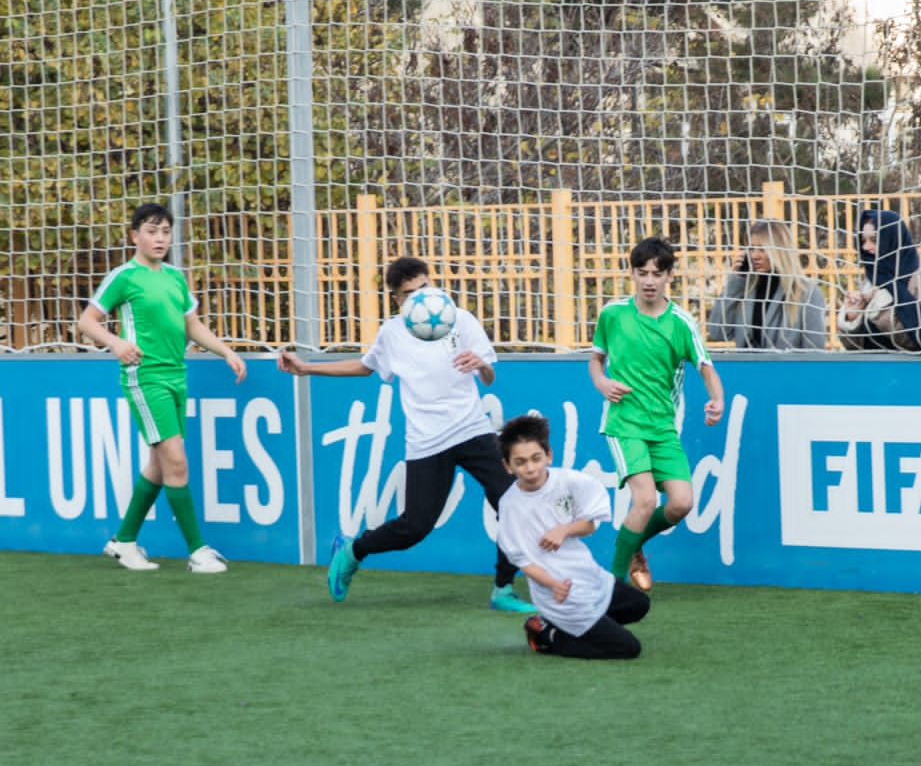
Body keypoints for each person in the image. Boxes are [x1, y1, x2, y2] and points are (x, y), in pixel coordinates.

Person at [276, 256, 537, 614]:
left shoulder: (461, 319)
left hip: (472, 430)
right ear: (397, 300)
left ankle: (503, 589)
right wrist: (307, 368)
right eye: (409, 294)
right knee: (415, 527)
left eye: (424, 288)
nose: (420, 299)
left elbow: (489, 376)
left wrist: (482, 364)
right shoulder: (393, 332)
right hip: (427, 441)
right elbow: (365, 367)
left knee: (512, 502)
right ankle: (353, 550)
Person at [78, 202, 246, 574]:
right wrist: (117, 344)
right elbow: (87, 321)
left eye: (165, 232)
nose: (159, 238)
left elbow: (192, 326)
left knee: (159, 463)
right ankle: (198, 551)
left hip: (176, 376)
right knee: (176, 460)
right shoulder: (125, 276)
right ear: (135, 235)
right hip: (146, 377)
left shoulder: (174, 277)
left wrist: (226, 352)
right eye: (151, 231)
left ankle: (123, 541)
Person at [590, 236, 725, 593]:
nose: (649, 280)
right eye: (642, 272)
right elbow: (596, 359)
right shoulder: (613, 314)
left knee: (681, 502)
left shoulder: (681, 322)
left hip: (663, 427)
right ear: (631, 273)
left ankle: (634, 546)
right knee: (646, 499)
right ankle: (613, 587)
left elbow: (705, 366)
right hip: (624, 423)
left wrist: (717, 401)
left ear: (670, 277)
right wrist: (602, 383)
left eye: (657, 273)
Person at [496, 413, 651, 659]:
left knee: (639, 605)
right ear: (508, 466)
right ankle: (547, 637)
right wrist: (554, 584)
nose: (530, 468)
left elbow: (589, 526)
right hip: (560, 594)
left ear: (549, 455)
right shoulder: (510, 506)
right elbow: (522, 562)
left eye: (536, 458)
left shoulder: (571, 481)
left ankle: (559, 627)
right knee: (628, 649)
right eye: (520, 462)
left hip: (589, 577)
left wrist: (564, 530)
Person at [706, 219, 827, 350]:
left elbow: (814, 353)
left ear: (780, 251)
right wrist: (736, 282)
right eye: (751, 248)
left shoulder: (807, 293)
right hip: (748, 369)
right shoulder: (745, 288)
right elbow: (717, 332)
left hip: (786, 370)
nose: (755, 255)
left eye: (762, 249)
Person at [837, 208, 921, 352]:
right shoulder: (872, 280)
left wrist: (880, 311)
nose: (866, 247)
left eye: (874, 240)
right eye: (863, 241)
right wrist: (853, 317)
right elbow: (856, 347)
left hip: (909, 372)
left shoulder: (919, 280)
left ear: (892, 239)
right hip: (874, 371)